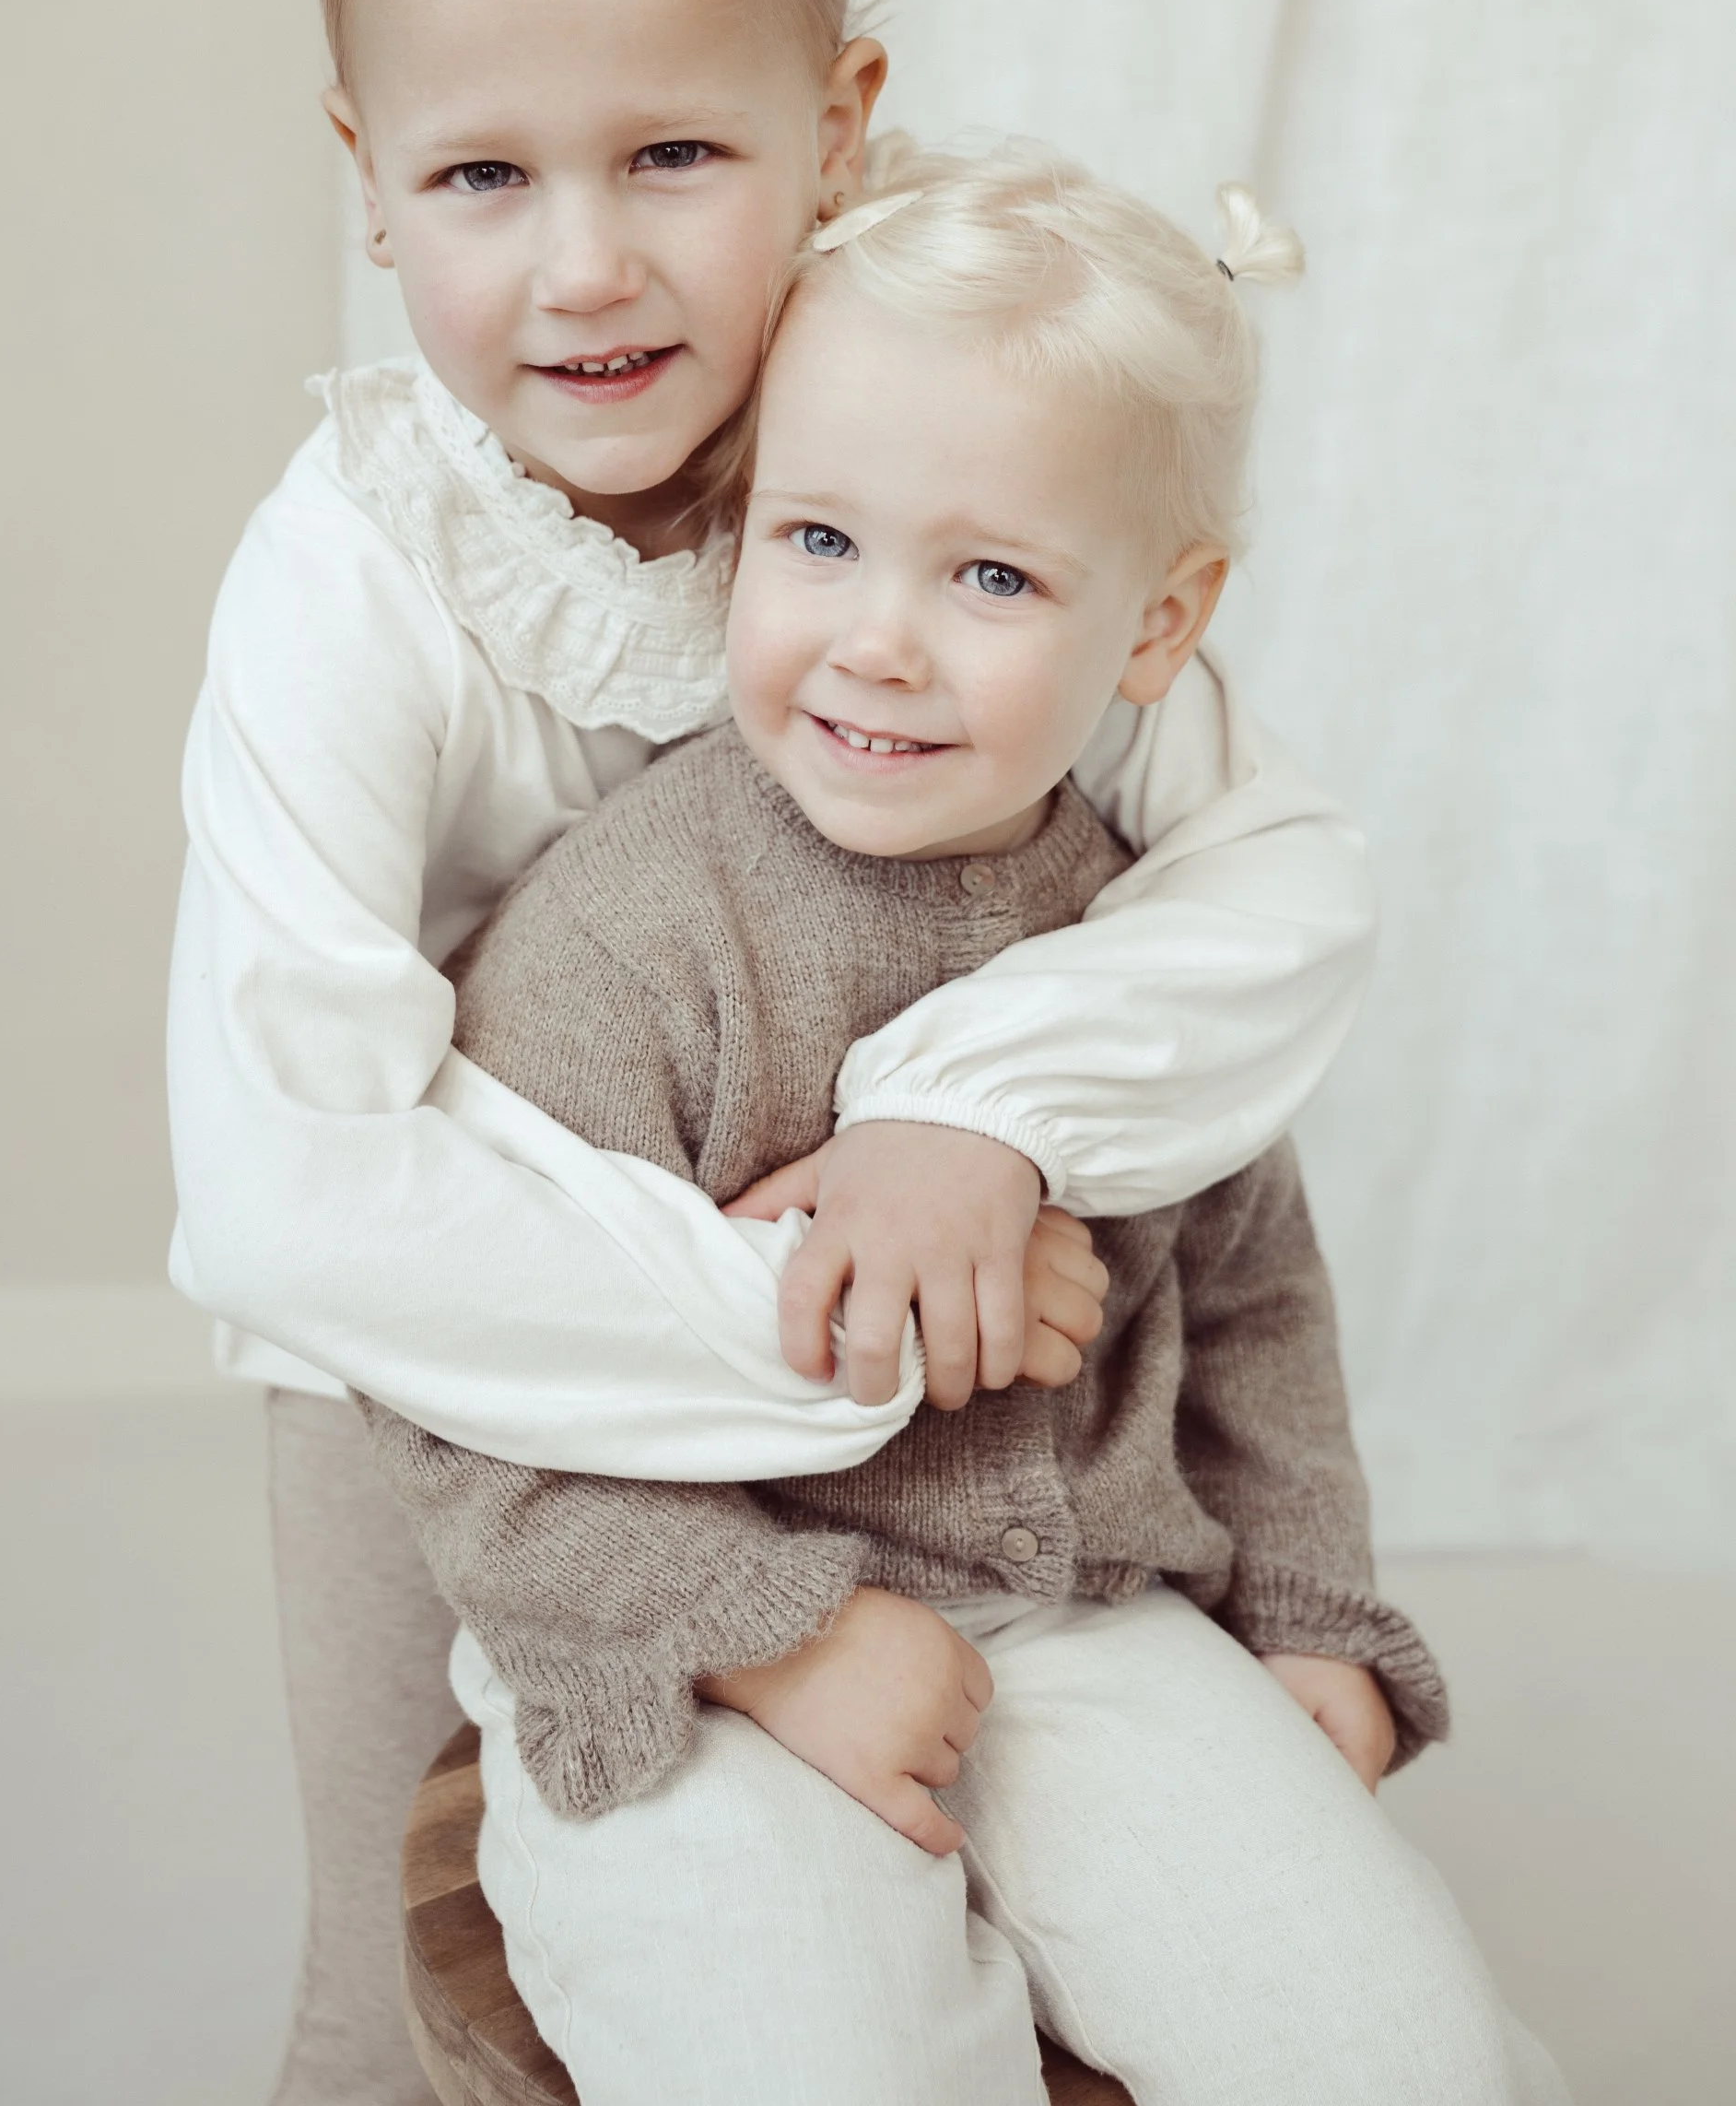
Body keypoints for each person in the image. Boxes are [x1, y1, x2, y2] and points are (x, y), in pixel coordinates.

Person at [167, 0, 1377, 2103]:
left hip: (945, 1397)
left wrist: (978, 1116)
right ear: (366, 187)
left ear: (838, 123)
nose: (584, 265)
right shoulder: (353, 567)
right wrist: (835, 1311)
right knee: (382, 1972)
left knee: (935, 1905)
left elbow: (1266, 890)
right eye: (483, 175)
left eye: (675, 157)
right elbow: (299, 1185)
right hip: (455, 1368)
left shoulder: (921, 421)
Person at [360, 148, 1570, 2106]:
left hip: (1076, 1612)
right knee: (813, 2060)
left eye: (991, 575)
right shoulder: (616, 941)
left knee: (1398, 2058)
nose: (879, 641)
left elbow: (1254, 1309)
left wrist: (1310, 1613)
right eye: (817, 540)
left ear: (1159, 624)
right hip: (686, 1632)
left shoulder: (1139, 933)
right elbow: (458, 1381)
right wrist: (768, 1633)